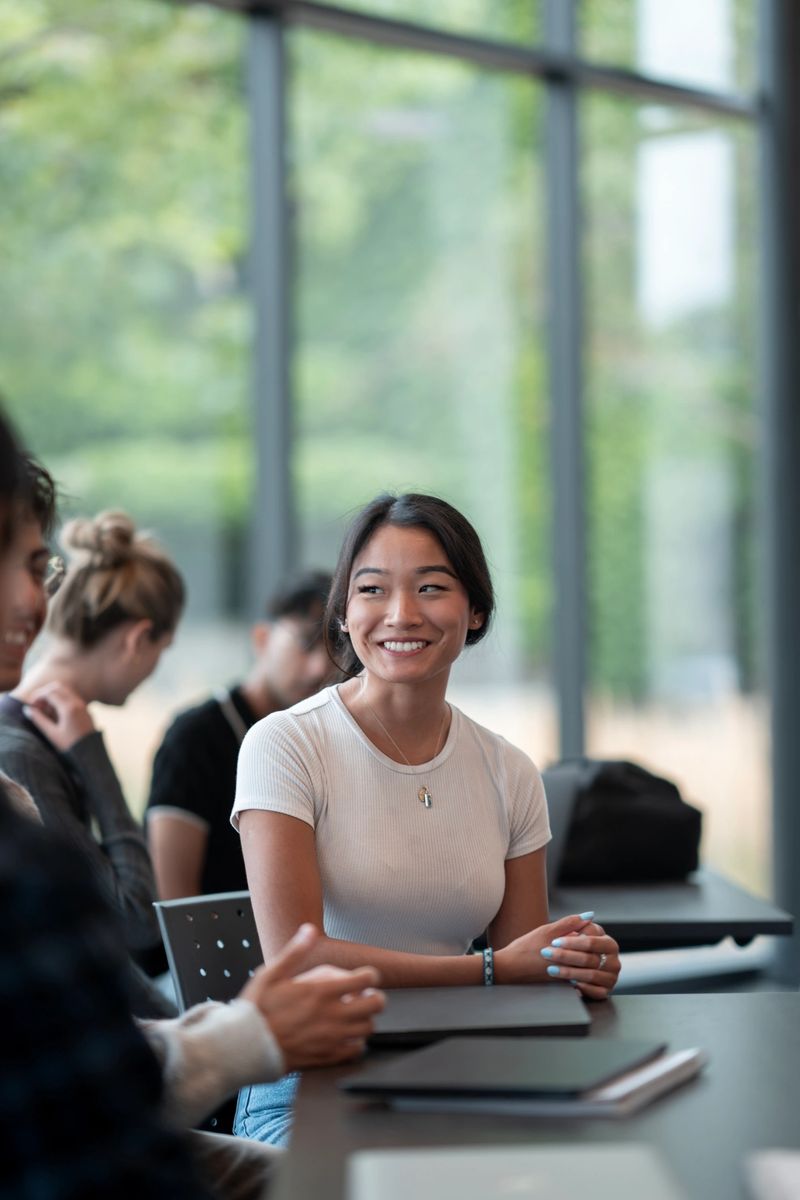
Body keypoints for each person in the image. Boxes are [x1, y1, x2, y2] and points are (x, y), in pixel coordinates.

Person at [0, 421, 385, 1199]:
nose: (31, 598)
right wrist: (244, 1032)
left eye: (39, 567)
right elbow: (144, 927)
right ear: (145, 641)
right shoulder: (38, 766)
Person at [232, 492, 622, 1145]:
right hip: (313, 1076)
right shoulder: (286, 744)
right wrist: (493, 970)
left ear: (475, 612)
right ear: (345, 612)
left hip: (456, 1064)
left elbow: (524, 965)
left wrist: (572, 964)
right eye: (373, 589)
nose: (400, 614)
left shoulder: (509, 771)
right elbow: (298, 959)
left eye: (431, 588)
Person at [0, 502, 183, 1008]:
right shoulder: (21, 753)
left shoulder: (25, 734)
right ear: (137, 639)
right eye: (161, 651)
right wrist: (92, 755)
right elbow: (135, 922)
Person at [147, 571, 332, 900]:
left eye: (335, 650)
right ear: (262, 639)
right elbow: (174, 902)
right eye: (306, 644)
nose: (320, 667)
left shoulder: (323, 736)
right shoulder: (197, 737)